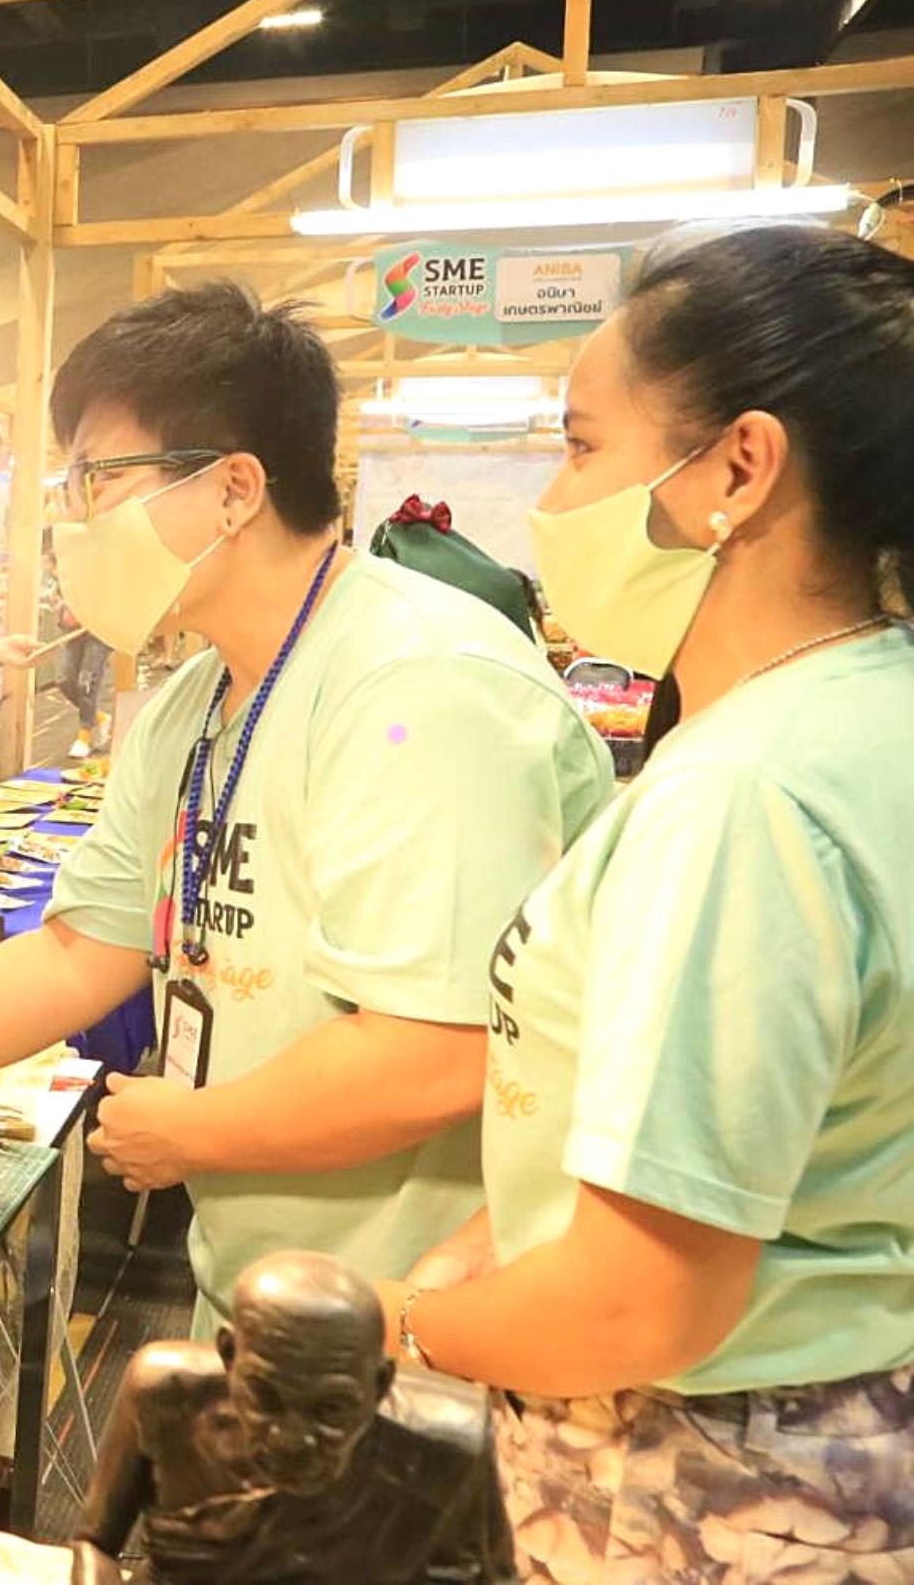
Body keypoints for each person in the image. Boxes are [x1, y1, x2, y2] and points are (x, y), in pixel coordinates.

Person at [0, 284, 616, 1332]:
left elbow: (433, 1053)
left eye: (97, 480)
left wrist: (197, 1131)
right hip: (264, 1293)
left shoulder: (422, 689)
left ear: (234, 489)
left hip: (426, 1320)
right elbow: (81, 954)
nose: (75, 521)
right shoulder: (191, 706)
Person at [380, 227, 914, 1577]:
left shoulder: (742, 795)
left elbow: (638, 1304)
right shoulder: (870, 710)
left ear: (739, 466)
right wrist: (497, 1243)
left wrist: (383, 1325)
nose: (552, 499)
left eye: (579, 447)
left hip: (705, 1482)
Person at [76, 1250, 510, 1583]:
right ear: (229, 1355)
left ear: (379, 1385)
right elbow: (94, 1543)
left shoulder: (450, 1446)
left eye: (330, 1409)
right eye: (266, 1398)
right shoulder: (165, 1396)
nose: (290, 1439)